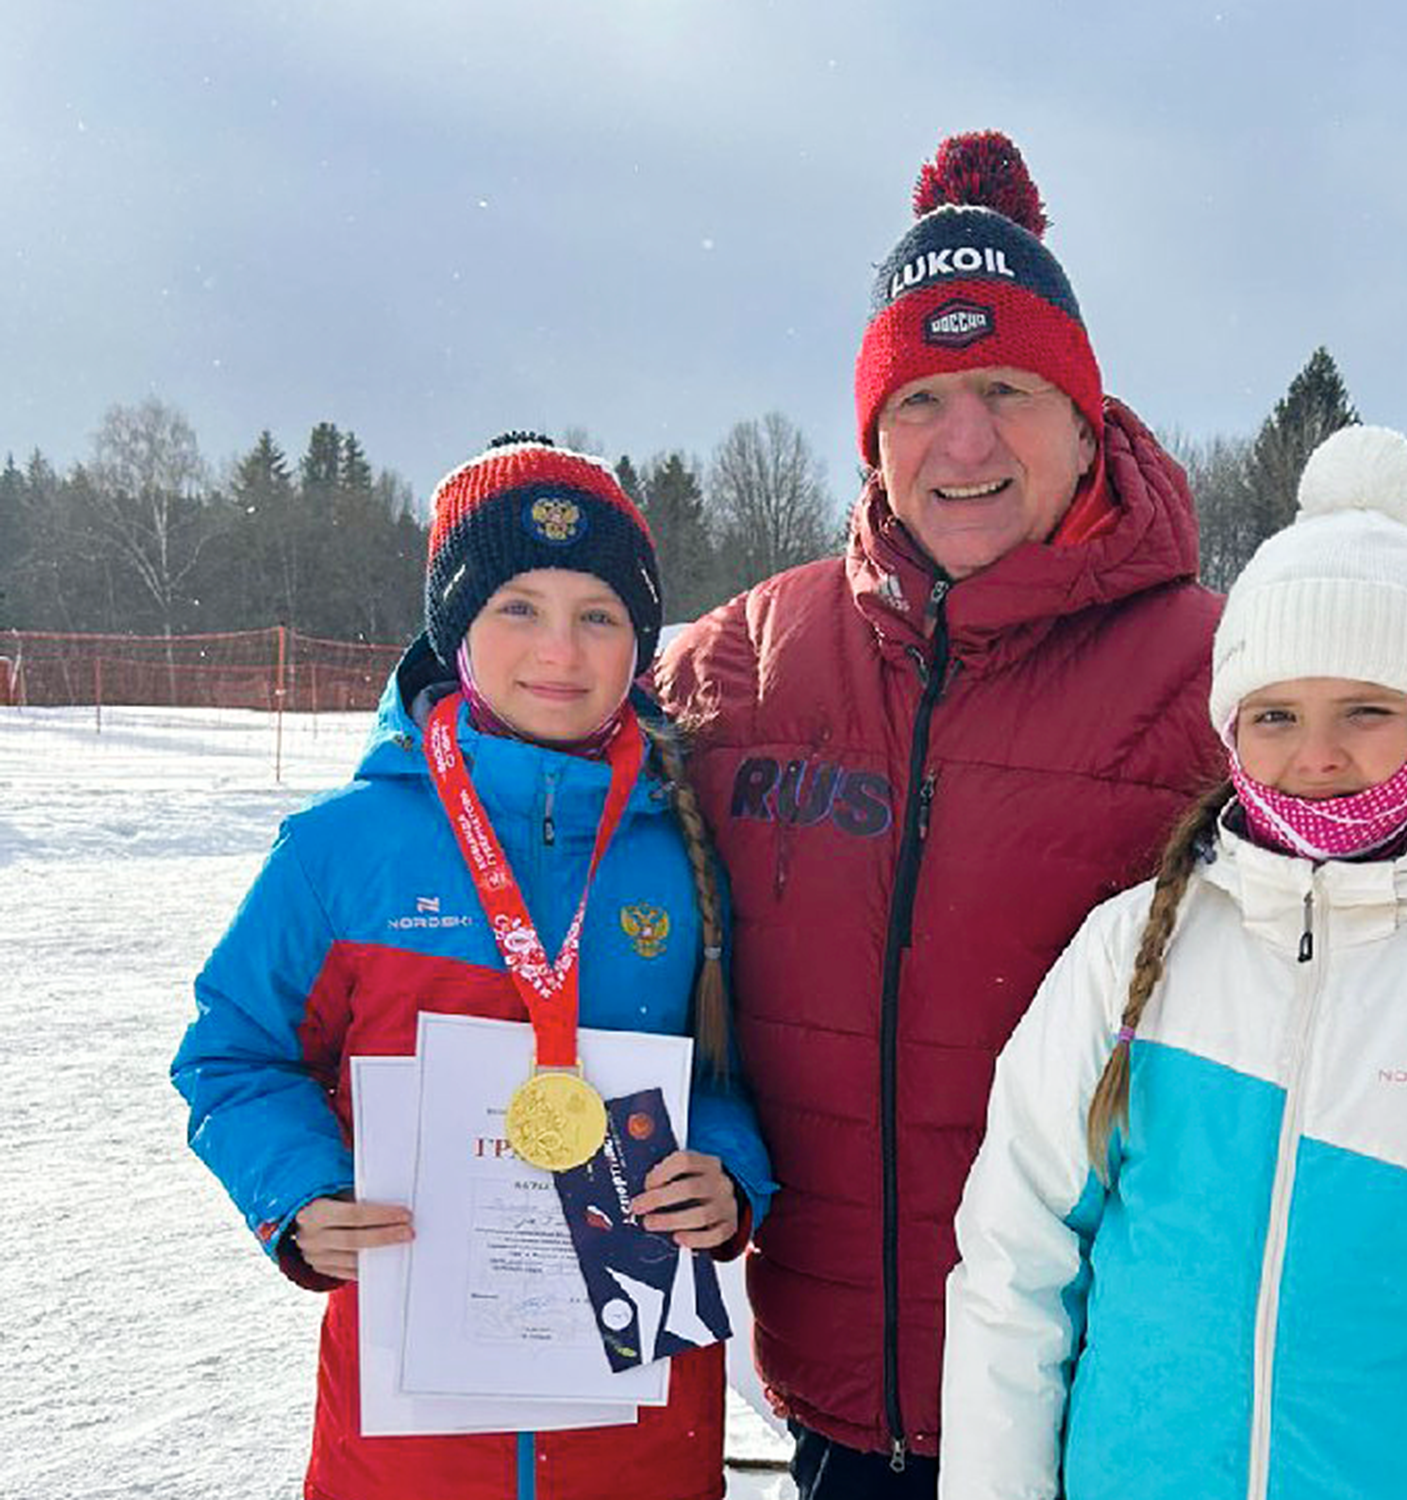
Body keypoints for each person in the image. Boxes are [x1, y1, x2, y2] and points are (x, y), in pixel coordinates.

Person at [941, 426, 1407, 1500]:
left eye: (1365, 712)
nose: (1315, 755)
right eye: (1275, 715)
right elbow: (1014, 1268)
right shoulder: (1127, 947)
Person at [656, 131, 1223, 1495]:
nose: (963, 441)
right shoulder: (739, 667)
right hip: (845, 1412)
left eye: (1009, 389)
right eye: (920, 400)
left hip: (1116, 1398)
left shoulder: (1229, 675)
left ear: (1089, 417)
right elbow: (522, 806)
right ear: (871, 437)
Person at [173, 434, 775, 1500]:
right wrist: (301, 1191)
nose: (561, 649)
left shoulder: (681, 843)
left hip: (639, 1418)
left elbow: (731, 1071)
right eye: (517, 608)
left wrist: (725, 1174)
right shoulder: (342, 849)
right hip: (409, 1426)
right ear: (454, 630)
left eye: (599, 614)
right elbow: (233, 1054)